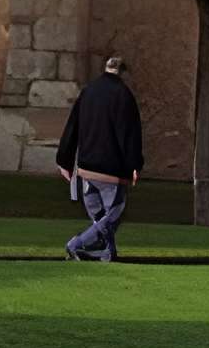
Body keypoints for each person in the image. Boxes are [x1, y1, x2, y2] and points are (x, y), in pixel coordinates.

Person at [54, 53, 143, 261]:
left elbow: (72, 126)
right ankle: (77, 243)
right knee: (113, 214)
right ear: (123, 72)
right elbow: (130, 134)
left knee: (100, 217)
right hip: (111, 169)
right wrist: (135, 164)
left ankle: (107, 253)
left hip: (87, 167)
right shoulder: (124, 95)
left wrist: (64, 160)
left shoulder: (88, 91)